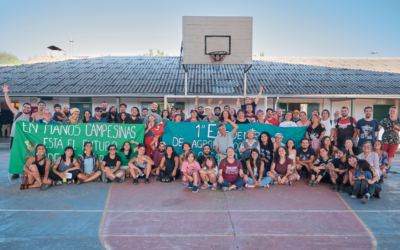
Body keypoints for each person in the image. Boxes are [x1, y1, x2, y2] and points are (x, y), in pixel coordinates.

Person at [2, 84, 33, 179]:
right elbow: (8, 103)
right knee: (14, 154)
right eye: (25, 107)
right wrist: (6, 93)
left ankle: (26, 170)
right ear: (22, 107)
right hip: (14, 137)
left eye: (28, 107)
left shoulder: (31, 119)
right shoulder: (17, 113)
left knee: (28, 153)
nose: (26, 108)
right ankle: (15, 172)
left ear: (30, 109)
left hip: (26, 139)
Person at [379, 106, 400, 171]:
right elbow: (378, 128)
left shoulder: (399, 120)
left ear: (396, 112)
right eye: (391, 111)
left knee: (390, 156)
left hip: (395, 141)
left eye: (394, 111)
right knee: (383, 155)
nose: (392, 112)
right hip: (385, 140)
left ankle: (386, 171)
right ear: (389, 112)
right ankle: (381, 169)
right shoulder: (385, 120)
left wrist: (398, 127)